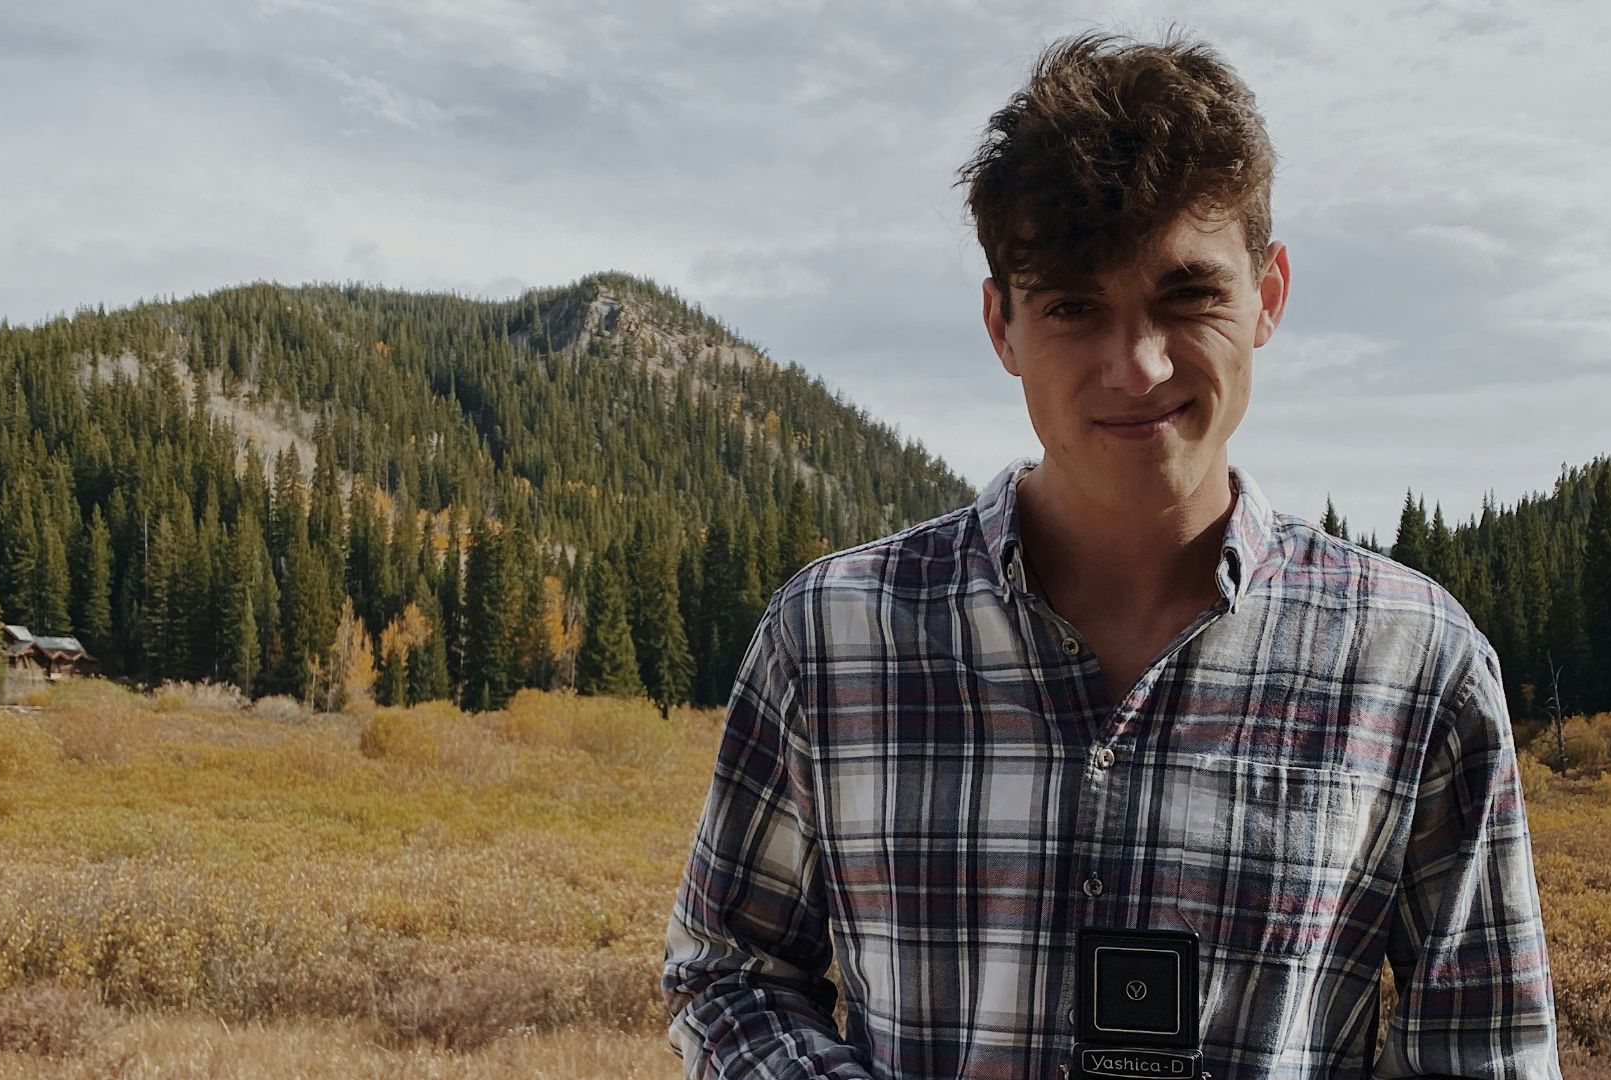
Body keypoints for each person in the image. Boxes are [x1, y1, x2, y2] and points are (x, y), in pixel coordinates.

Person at [659, 28, 1560, 1080]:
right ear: (1002, 324)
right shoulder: (831, 637)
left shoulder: (1418, 666)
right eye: (1075, 306)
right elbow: (729, 971)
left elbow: (1485, 1052)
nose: (1137, 367)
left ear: (1267, 294)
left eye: (1188, 296)